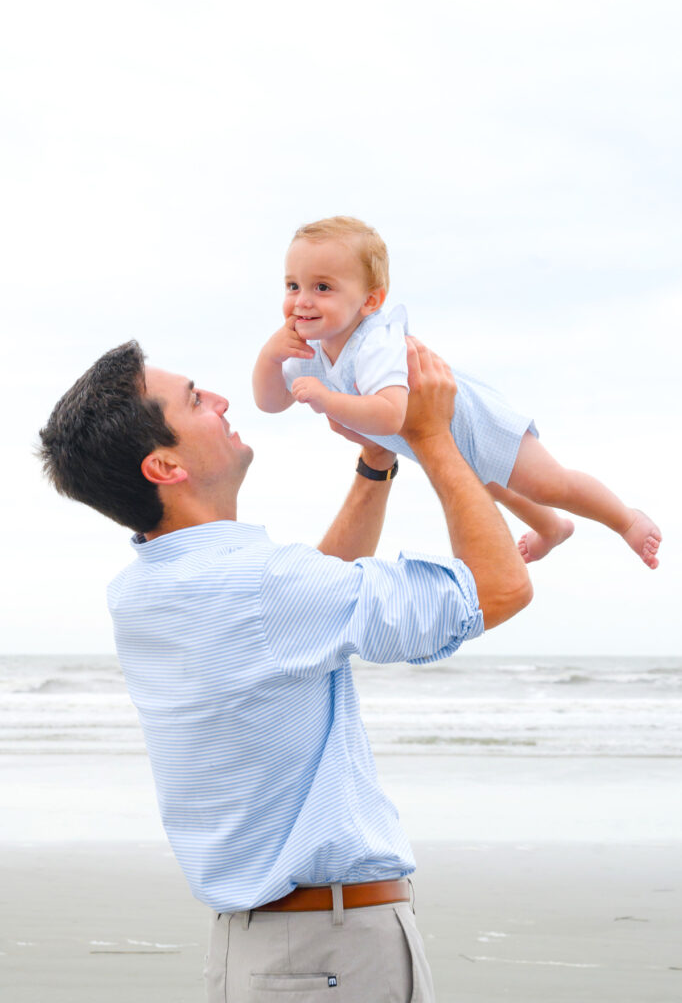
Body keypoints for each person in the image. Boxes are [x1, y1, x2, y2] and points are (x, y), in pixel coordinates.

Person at [38, 337, 531, 1002]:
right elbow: (499, 589)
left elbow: (297, 614)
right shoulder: (262, 587)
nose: (220, 399)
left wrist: (375, 463)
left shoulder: (145, 591)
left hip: (258, 952)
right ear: (164, 465)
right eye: (194, 400)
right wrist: (432, 436)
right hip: (331, 951)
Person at [253, 215, 662, 569]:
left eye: (322, 287)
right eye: (292, 285)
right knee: (489, 485)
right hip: (432, 442)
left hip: (473, 421)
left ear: (370, 300)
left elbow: (390, 414)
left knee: (547, 483)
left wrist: (329, 401)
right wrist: (268, 359)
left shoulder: (375, 341)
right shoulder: (306, 345)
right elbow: (271, 403)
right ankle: (551, 527)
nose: (302, 301)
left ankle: (626, 519)